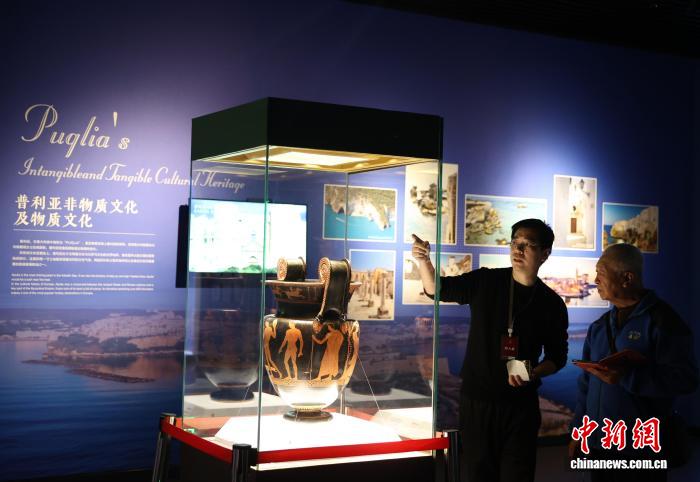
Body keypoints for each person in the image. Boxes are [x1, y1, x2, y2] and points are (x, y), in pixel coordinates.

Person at [412, 218, 568, 482]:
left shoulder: (551, 303)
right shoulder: (487, 281)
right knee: (478, 474)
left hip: (520, 407)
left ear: (544, 253)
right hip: (477, 401)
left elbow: (558, 357)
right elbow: (437, 290)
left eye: (528, 244)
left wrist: (533, 372)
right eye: (515, 243)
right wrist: (423, 261)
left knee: (518, 476)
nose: (518, 250)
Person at [569, 243, 698, 481]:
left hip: (643, 448)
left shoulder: (664, 321)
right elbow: (586, 383)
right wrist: (579, 431)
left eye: (601, 273)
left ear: (627, 278)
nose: (595, 281)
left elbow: (686, 379)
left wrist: (627, 377)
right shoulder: (599, 327)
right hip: (600, 445)